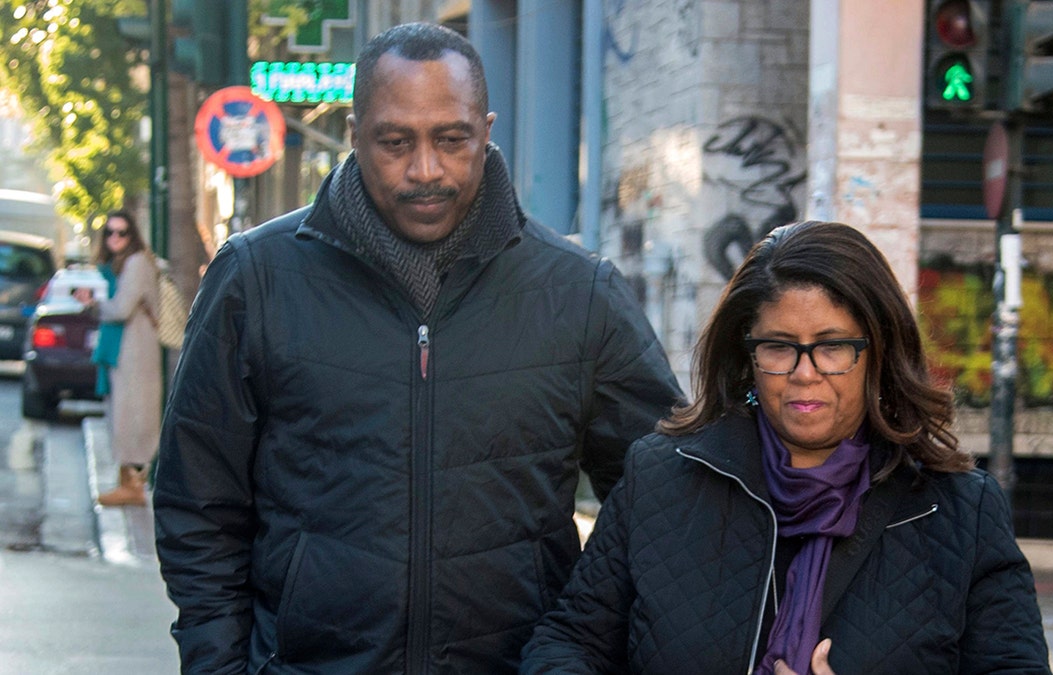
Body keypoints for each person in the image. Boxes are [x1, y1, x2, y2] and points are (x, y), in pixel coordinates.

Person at [152, 22, 681, 674]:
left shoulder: (578, 293)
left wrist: (582, 648)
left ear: (486, 130)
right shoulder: (256, 279)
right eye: (395, 142)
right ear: (354, 134)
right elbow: (197, 504)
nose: (425, 169)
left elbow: (662, 494)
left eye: (452, 140)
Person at [521, 221, 1050, 674]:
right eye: (778, 347)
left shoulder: (959, 511)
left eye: (833, 346)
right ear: (747, 356)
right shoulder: (660, 478)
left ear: (879, 354)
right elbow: (568, 643)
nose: (804, 374)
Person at [75, 210, 162, 507]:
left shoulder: (137, 262)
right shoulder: (118, 264)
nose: (115, 238)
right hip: (122, 348)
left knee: (133, 414)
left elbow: (121, 308)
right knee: (122, 414)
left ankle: (134, 485)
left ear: (132, 235)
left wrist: (93, 304)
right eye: (110, 232)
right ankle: (127, 482)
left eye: (122, 233)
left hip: (134, 350)